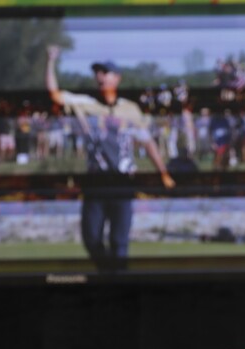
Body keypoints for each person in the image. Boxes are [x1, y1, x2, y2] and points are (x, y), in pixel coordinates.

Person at [46, 46, 175, 272]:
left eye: (105, 72)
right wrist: (50, 61)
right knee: (91, 237)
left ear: (117, 78)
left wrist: (163, 173)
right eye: (98, 72)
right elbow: (55, 94)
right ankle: (109, 275)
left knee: (119, 241)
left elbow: (148, 142)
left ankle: (119, 286)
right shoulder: (85, 104)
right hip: (96, 182)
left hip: (123, 181)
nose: (100, 77)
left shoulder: (130, 110)